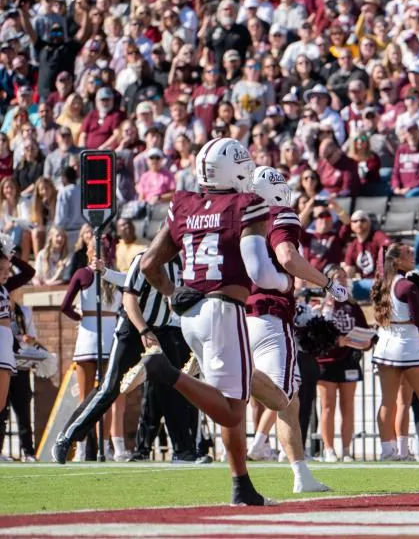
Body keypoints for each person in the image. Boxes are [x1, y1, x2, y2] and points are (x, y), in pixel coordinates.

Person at [131, 138, 288, 505]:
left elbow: (149, 264)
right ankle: (167, 372)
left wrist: (171, 292)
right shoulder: (245, 204)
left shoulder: (185, 205)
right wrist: (285, 282)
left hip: (190, 315)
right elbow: (259, 272)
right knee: (232, 411)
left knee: (234, 397)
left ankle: (241, 486)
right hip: (223, 311)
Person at [242, 165, 344, 492]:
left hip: (237, 316)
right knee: (284, 397)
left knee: (285, 400)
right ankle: (300, 475)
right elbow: (287, 256)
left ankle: (297, 473)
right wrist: (327, 282)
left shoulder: (237, 220)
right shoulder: (278, 214)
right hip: (270, 316)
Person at [52, 250, 200, 464]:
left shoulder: (179, 263)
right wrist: (143, 330)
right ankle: (66, 437)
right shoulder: (144, 259)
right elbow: (129, 297)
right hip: (132, 327)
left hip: (162, 329)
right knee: (110, 387)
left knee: (173, 387)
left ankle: (183, 451)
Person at [370, 243, 419, 461]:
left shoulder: (382, 284)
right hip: (408, 346)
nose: (412, 255)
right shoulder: (407, 286)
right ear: (396, 260)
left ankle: (388, 451)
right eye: (407, 253)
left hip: (385, 346)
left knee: (388, 402)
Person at [60, 237, 126, 461]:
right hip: (111, 337)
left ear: (90, 252)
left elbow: (64, 306)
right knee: (105, 398)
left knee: (85, 399)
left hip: (87, 336)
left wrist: (80, 317)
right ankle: (104, 449)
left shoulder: (82, 274)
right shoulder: (117, 276)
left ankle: (80, 451)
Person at [317, 265, 371, 462]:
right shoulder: (323, 305)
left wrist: (366, 343)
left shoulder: (352, 305)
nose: (341, 280)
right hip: (326, 360)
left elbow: (365, 330)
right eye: (337, 277)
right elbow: (315, 334)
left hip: (349, 360)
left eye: (344, 277)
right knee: (328, 406)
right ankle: (329, 449)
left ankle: (347, 450)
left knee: (348, 407)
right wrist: (335, 341)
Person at [0, 244, 34, 462]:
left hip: (5, 347)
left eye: (7, 269)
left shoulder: (5, 288)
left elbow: (29, 273)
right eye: (1, 269)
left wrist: (10, 256)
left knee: (2, 405)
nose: (6, 273)